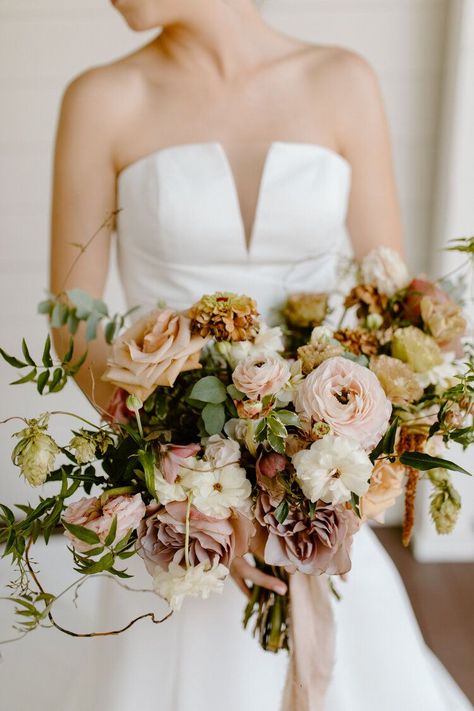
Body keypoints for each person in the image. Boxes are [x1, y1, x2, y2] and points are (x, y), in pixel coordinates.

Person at [38, 0, 470, 709]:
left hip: (313, 478)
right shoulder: (102, 99)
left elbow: (391, 303)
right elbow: (70, 321)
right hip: (182, 510)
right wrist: (185, 477)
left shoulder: (343, 81)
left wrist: (315, 474)